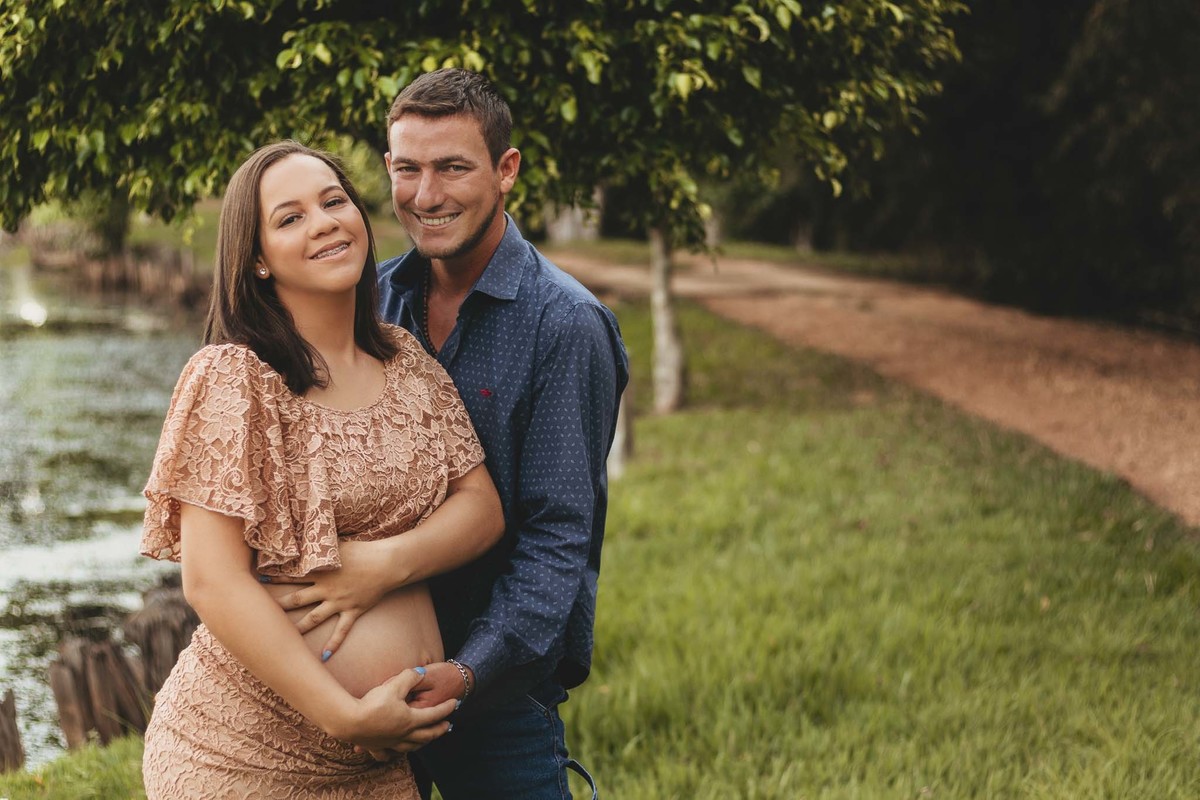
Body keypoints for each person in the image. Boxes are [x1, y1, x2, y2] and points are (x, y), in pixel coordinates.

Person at [268, 69, 629, 798]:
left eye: (452, 167)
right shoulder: (373, 301)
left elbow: (559, 540)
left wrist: (465, 674)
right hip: (346, 713)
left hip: (490, 705)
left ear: (507, 170)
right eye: (407, 168)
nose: (425, 195)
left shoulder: (564, 325)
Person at [138, 140, 505, 799]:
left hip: (381, 765)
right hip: (244, 754)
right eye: (291, 217)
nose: (325, 222)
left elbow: (480, 507)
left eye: (334, 201)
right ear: (256, 259)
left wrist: (383, 566)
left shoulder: (406, 361)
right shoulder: (236, 379)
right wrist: (345, 715)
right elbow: (212, 582)